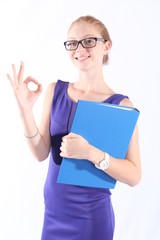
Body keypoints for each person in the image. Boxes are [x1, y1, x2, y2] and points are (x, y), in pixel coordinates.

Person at [7, 15, 141, 240]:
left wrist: (91, 153)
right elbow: (41, 153)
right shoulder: (55, 91)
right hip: (53, 214)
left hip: (92, 219)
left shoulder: (121, 106)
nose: (79, 49)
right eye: (72, 43)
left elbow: (134, 175)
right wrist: (25, 111)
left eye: (89, 41)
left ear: (106, 45)